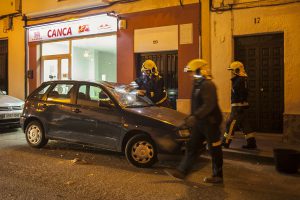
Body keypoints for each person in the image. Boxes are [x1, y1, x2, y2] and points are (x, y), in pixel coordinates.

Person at [164, 59, 223, 184]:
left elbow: (209, 105)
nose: (190, 75)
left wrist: (195, 116)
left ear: (199, 70)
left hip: (211, 123)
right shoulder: (197, 84)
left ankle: (218, 175)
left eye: (192, 72)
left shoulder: (207, 84)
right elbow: (197, 105)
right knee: (192, 146)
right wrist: (190, 117)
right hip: (200, 123)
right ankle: (182, 171)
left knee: (214, 149)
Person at [222, 61, 257, 149]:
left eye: (232, 70)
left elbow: (243, 93)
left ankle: (226, 142)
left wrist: (241, 105)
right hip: (241, 107)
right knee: (245, 125)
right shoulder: (241, 79)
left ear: (236, 70)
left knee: (230, 124)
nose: (231, 72)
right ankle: (251, 143)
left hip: (238, 107)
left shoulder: (240, 80)